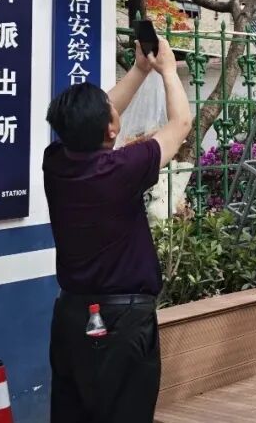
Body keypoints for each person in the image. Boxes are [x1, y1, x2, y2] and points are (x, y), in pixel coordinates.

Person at [44, 38, 192, 423]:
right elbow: (180, 125)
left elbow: (91, 123)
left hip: (71, 315)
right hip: (122, 322)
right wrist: (168, 70)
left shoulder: (55, 163)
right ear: (110, 129)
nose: (114, 105)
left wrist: (140, 70)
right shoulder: (123, 169)